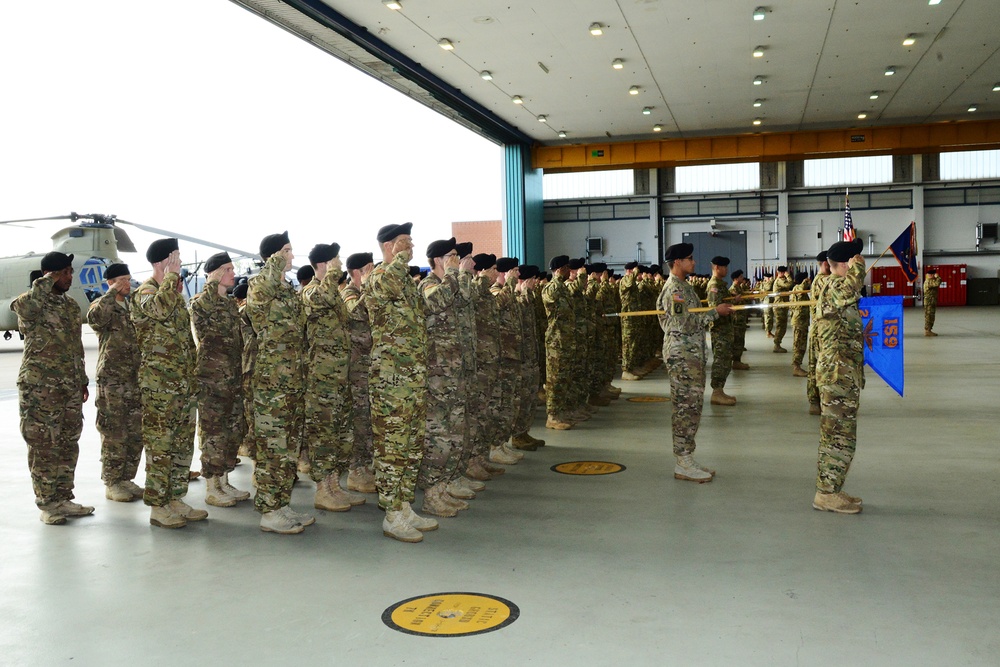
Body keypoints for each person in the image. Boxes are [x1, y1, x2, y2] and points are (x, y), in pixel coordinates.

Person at [367, 223, 438, 542]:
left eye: (411, 241)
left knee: (411, 444)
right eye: (402, 242)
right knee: (392, 446)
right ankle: (392, 514)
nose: (410, 246)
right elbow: (389, 285)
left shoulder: (406, 282)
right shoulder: (380, 277)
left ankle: (404, 504)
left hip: (412, 377)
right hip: (391, 380)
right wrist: (398, 260)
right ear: (387, 246)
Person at [11, 252, 93, 525]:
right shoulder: (30, 303)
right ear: (51, 275)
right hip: (40, 388)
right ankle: (47, 504)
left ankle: (63, 498)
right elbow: (24, 307)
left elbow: (76, 347)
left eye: (71, 272)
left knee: (68, 443)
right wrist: (47, 280)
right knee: (44, 445)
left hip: (68, 385)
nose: (71, 277)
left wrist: (81, 379)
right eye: (65, 272)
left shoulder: (70, 307)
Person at [131, 238, 204, 528]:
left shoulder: (174, 295)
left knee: (182, 446)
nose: (180, 265)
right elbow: (158, 310)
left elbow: (186, 341)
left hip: (182, 385)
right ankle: (158, 506)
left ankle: (175, 498)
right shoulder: (145, 293)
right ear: (164, 262)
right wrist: (171, 276)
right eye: (176, 259)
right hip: (159, 387)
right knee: (161, 448)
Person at [247, 231, 312, 534]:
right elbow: (259, 301)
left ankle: (281, 502)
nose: (292, 256)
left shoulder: (286, 290)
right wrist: (274, 263)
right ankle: (269, 511)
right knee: (273, 448)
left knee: (288, 448)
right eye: (287, 251)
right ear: (274, 256)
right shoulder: (261, 284)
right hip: (272, 383)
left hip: (292, 380)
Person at [656, 243, 733, 483]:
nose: (694, 262)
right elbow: (684, 324)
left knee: (692, 407)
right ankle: (682, 461)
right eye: (689, 258)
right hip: (682, 357)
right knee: (684, 408)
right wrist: (714, 313)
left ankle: (687, 456)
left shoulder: (684, 287)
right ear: (677, 262)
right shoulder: (675, 291)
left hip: (690, 356)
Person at [302, 242, 364, 513]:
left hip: (341, 376)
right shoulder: (311, 292)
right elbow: (322, 298)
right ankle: (322, 490)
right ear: (325, 264)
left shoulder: (334, 293)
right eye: (335, 260)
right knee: (324, 435)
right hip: (322, 378)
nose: (339, 264)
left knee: (341, 435)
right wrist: (330, 276)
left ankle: (334, 485)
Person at [417, 238, 474, 517]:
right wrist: (453, 273)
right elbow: (436, 303)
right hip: (437, 375)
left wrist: (461, 275)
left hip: (455, 370)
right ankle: (431, 493)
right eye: (451, 256)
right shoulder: (428, 285)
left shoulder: (452, 284)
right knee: (437, 437)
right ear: (438, 260)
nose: (456, 259)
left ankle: (444, 486)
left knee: (454, 434)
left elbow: (465, 298)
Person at [189, 252, 249, 508]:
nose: (233, 273)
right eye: (227, 269)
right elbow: (201, 319)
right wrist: (212, 283)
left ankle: (224, 480)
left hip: (233, 378)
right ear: (214, 274)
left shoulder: (229, 304)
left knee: (232, 431)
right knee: (213, 433)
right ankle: (212, 485)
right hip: (212, 380)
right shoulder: (200, 302)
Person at [812, 238, 866, 514]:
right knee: (836, 435)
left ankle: (833, 487)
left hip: (843, 373)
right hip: (836, 375)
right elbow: (850, 288)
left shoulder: (837, 287)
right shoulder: (835, 286)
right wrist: (859, 269)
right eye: (854, 259)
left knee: (843, 435)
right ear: (844, 264)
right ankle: (825, 493)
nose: (858, 262)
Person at [87, 262, 144, 503]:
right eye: (122, 280)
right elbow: (94, 318)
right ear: (110, 282)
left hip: (134, 378)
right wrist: (111, 292)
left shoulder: (132, 306)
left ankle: (126, 478)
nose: (127, 284)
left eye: (129, 279)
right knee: (114, 432)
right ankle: (111, 482)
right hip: (113, 379)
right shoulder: (104, 305)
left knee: (135, 432)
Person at [342, 252, 376, 493]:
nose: (373, 273)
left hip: (370, 367)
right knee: (358, 420)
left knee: (368, 419)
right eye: (369, 269)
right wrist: (370, 290)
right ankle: (356, 470)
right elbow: (353, 312)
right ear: (357, 273)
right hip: (356, 369)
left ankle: (364, 466)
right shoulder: (349, 294)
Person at [542, 255, 575, 429]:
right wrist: (557, 278)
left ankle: (561, 412)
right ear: (559, 269)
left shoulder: (563, 288)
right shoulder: (551, 288)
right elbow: (551, 297)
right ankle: (552, 416)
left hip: (566, 339)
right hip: (556, 341)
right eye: (566, 267)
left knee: (564, 378)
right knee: (555, 380)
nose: (569, 270)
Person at [706, 256, 737, 406]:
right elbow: (714, 308)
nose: (727, 270)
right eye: (724, 267)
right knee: (720, 360)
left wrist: (732, 302)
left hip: (725, 328)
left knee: (725, 360)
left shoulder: (720, 284)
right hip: (720, 329)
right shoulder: (714, 285)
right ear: (717, 267)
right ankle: (716, 392)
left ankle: (719, 390)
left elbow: (722, 302)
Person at [806, 252, 832, 415]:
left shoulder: (822, 279)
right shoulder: (823, 280)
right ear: (825, 263)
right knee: (817, 366)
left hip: (822, 328)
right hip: (819, 330)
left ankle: (818, 400)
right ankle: (815, 401)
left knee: (817, 365)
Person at [790, 271, 812, 377]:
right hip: (799, 321)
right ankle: (796, 367)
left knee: (802, 344)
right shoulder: (797, 288)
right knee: (798, 344)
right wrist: (805, 281)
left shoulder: (800, 289)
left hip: (803, 321)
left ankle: (798, 366)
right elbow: (802, 288)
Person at [729, 270, 751, 370]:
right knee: (738, 340)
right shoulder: (733, 289)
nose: (742, 278)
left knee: (740, 339)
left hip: (741, 317)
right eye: (741, 276)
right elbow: (733, 302)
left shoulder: (739, 288)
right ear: (736, 279)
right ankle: (736, 361)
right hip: (737, 318)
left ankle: (738, 360)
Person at [772, 265, 794, 353]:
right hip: (779, 306)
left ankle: (777, 344)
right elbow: (790, 284)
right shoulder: (780, 280)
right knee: (780, 326)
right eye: (784, 272)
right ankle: (776, 345)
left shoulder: (780, 280)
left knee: (782, 326)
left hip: (782, 306)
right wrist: (788, 276)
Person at [923, 268, 942, 336]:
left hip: (931, 301)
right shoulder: (929, 281)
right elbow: (937, 283)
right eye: (934, 274)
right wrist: (938, 277)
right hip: (929, 302)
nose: (935, 276)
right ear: (931, 275)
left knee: (931, 316)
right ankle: (927, 330)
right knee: (929, 316)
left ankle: (929, 330)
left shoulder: (929, 280)